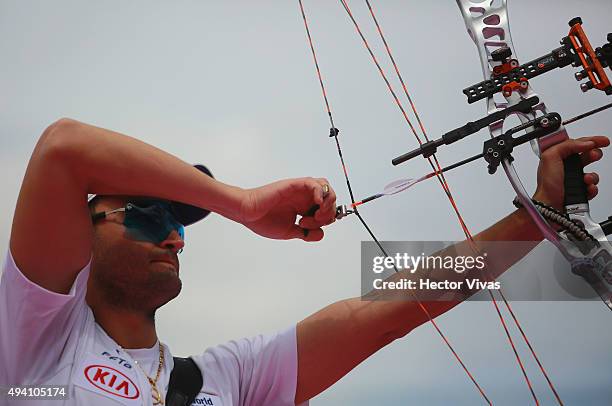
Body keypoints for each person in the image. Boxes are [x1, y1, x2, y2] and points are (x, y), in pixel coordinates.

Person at [0, 117, 607, 405]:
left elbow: (395, 308)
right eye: (146, 215)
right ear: (80, 241)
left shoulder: (224, 379)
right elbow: (64, 151)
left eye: (181, 222)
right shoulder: (37, 345)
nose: (174, 237)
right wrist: (239, 203)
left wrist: (538, 216)